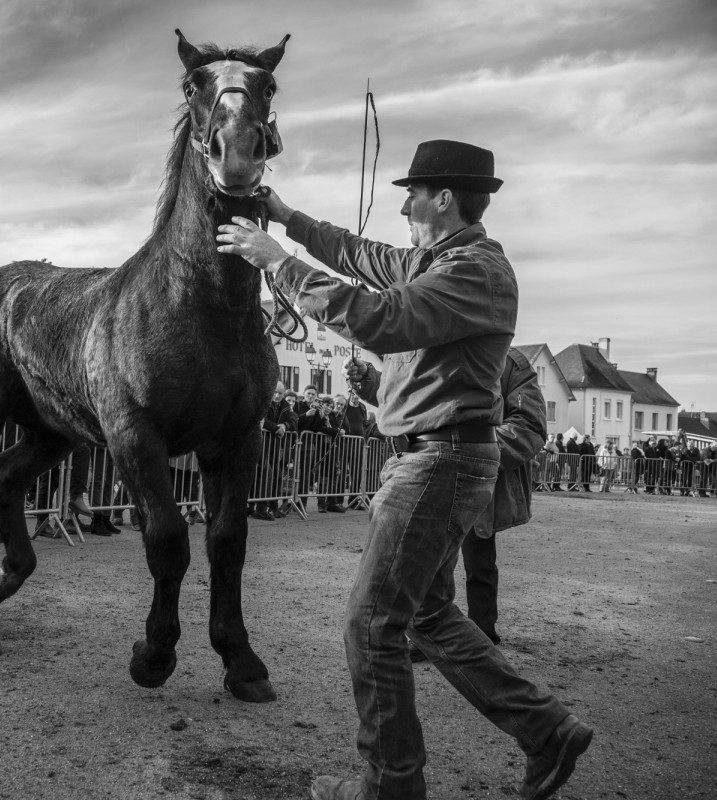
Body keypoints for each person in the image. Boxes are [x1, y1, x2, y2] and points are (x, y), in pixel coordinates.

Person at [217, 138, 591, 800]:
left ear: (442, 198)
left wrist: (281, 264)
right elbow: (361, 256)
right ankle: (545, 730)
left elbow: (383, 319)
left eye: (412, 194)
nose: (404, 206)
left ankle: (393, 784)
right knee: (427, 614)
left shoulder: (476, 272)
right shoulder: (438, 260)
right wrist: (288, 216)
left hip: (440, 460)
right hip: (434, 455)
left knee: (371, 624)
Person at [408, 348, 545, 663]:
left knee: (478, 560)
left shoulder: (511, 363)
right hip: (435, 470)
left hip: (479, 476)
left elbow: (529, 424)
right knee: (429, 559)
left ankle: (483, 634)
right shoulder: (437, 351)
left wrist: (478, 453)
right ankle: (431, 632)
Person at [252, 382, 297, 521]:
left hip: (275, 445)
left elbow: (294, 422)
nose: (277, 396)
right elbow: (260, 420)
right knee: (264, 474)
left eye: (281, 393)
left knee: (275, 475)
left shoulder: (285, 406)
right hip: (260, 443)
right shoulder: (263, 401)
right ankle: (259, 509)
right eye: (275, 392)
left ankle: (273, 507)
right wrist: (276, 428)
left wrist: (285, 425)